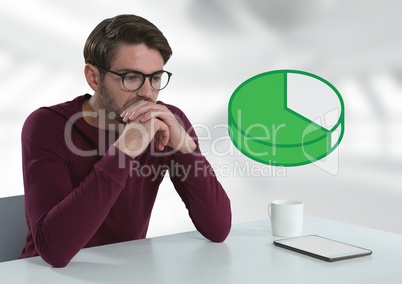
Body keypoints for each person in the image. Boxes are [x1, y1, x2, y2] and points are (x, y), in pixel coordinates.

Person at [19, 14, 231, 267]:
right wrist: (124, 150)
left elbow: (218, 229)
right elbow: (54, 252)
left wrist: (185, 149)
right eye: (131, 77)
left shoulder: (166, 121)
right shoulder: (48, 125)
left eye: (155, 78)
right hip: (43, 275)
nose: (147, 92)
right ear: (94, 78)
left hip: (129, 271)